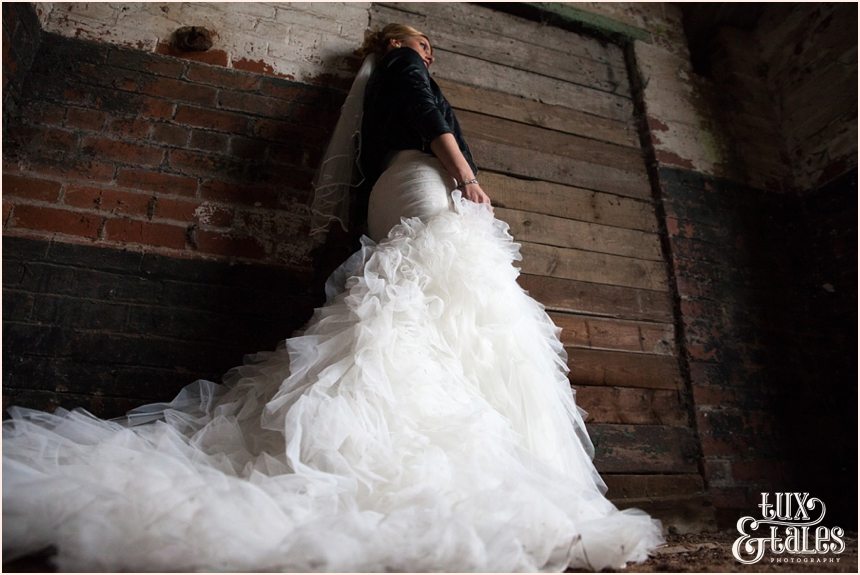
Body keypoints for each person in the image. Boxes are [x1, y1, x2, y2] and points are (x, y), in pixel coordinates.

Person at [2, 23, 665, 572]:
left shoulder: (377, 89)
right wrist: (466, 177)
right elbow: (428, 114)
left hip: (388, 189)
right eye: (426, 42)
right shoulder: (403, 64)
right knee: (446, 292)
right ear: (402, 42)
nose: (430, 52)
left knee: (417, 305)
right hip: (421, 178)